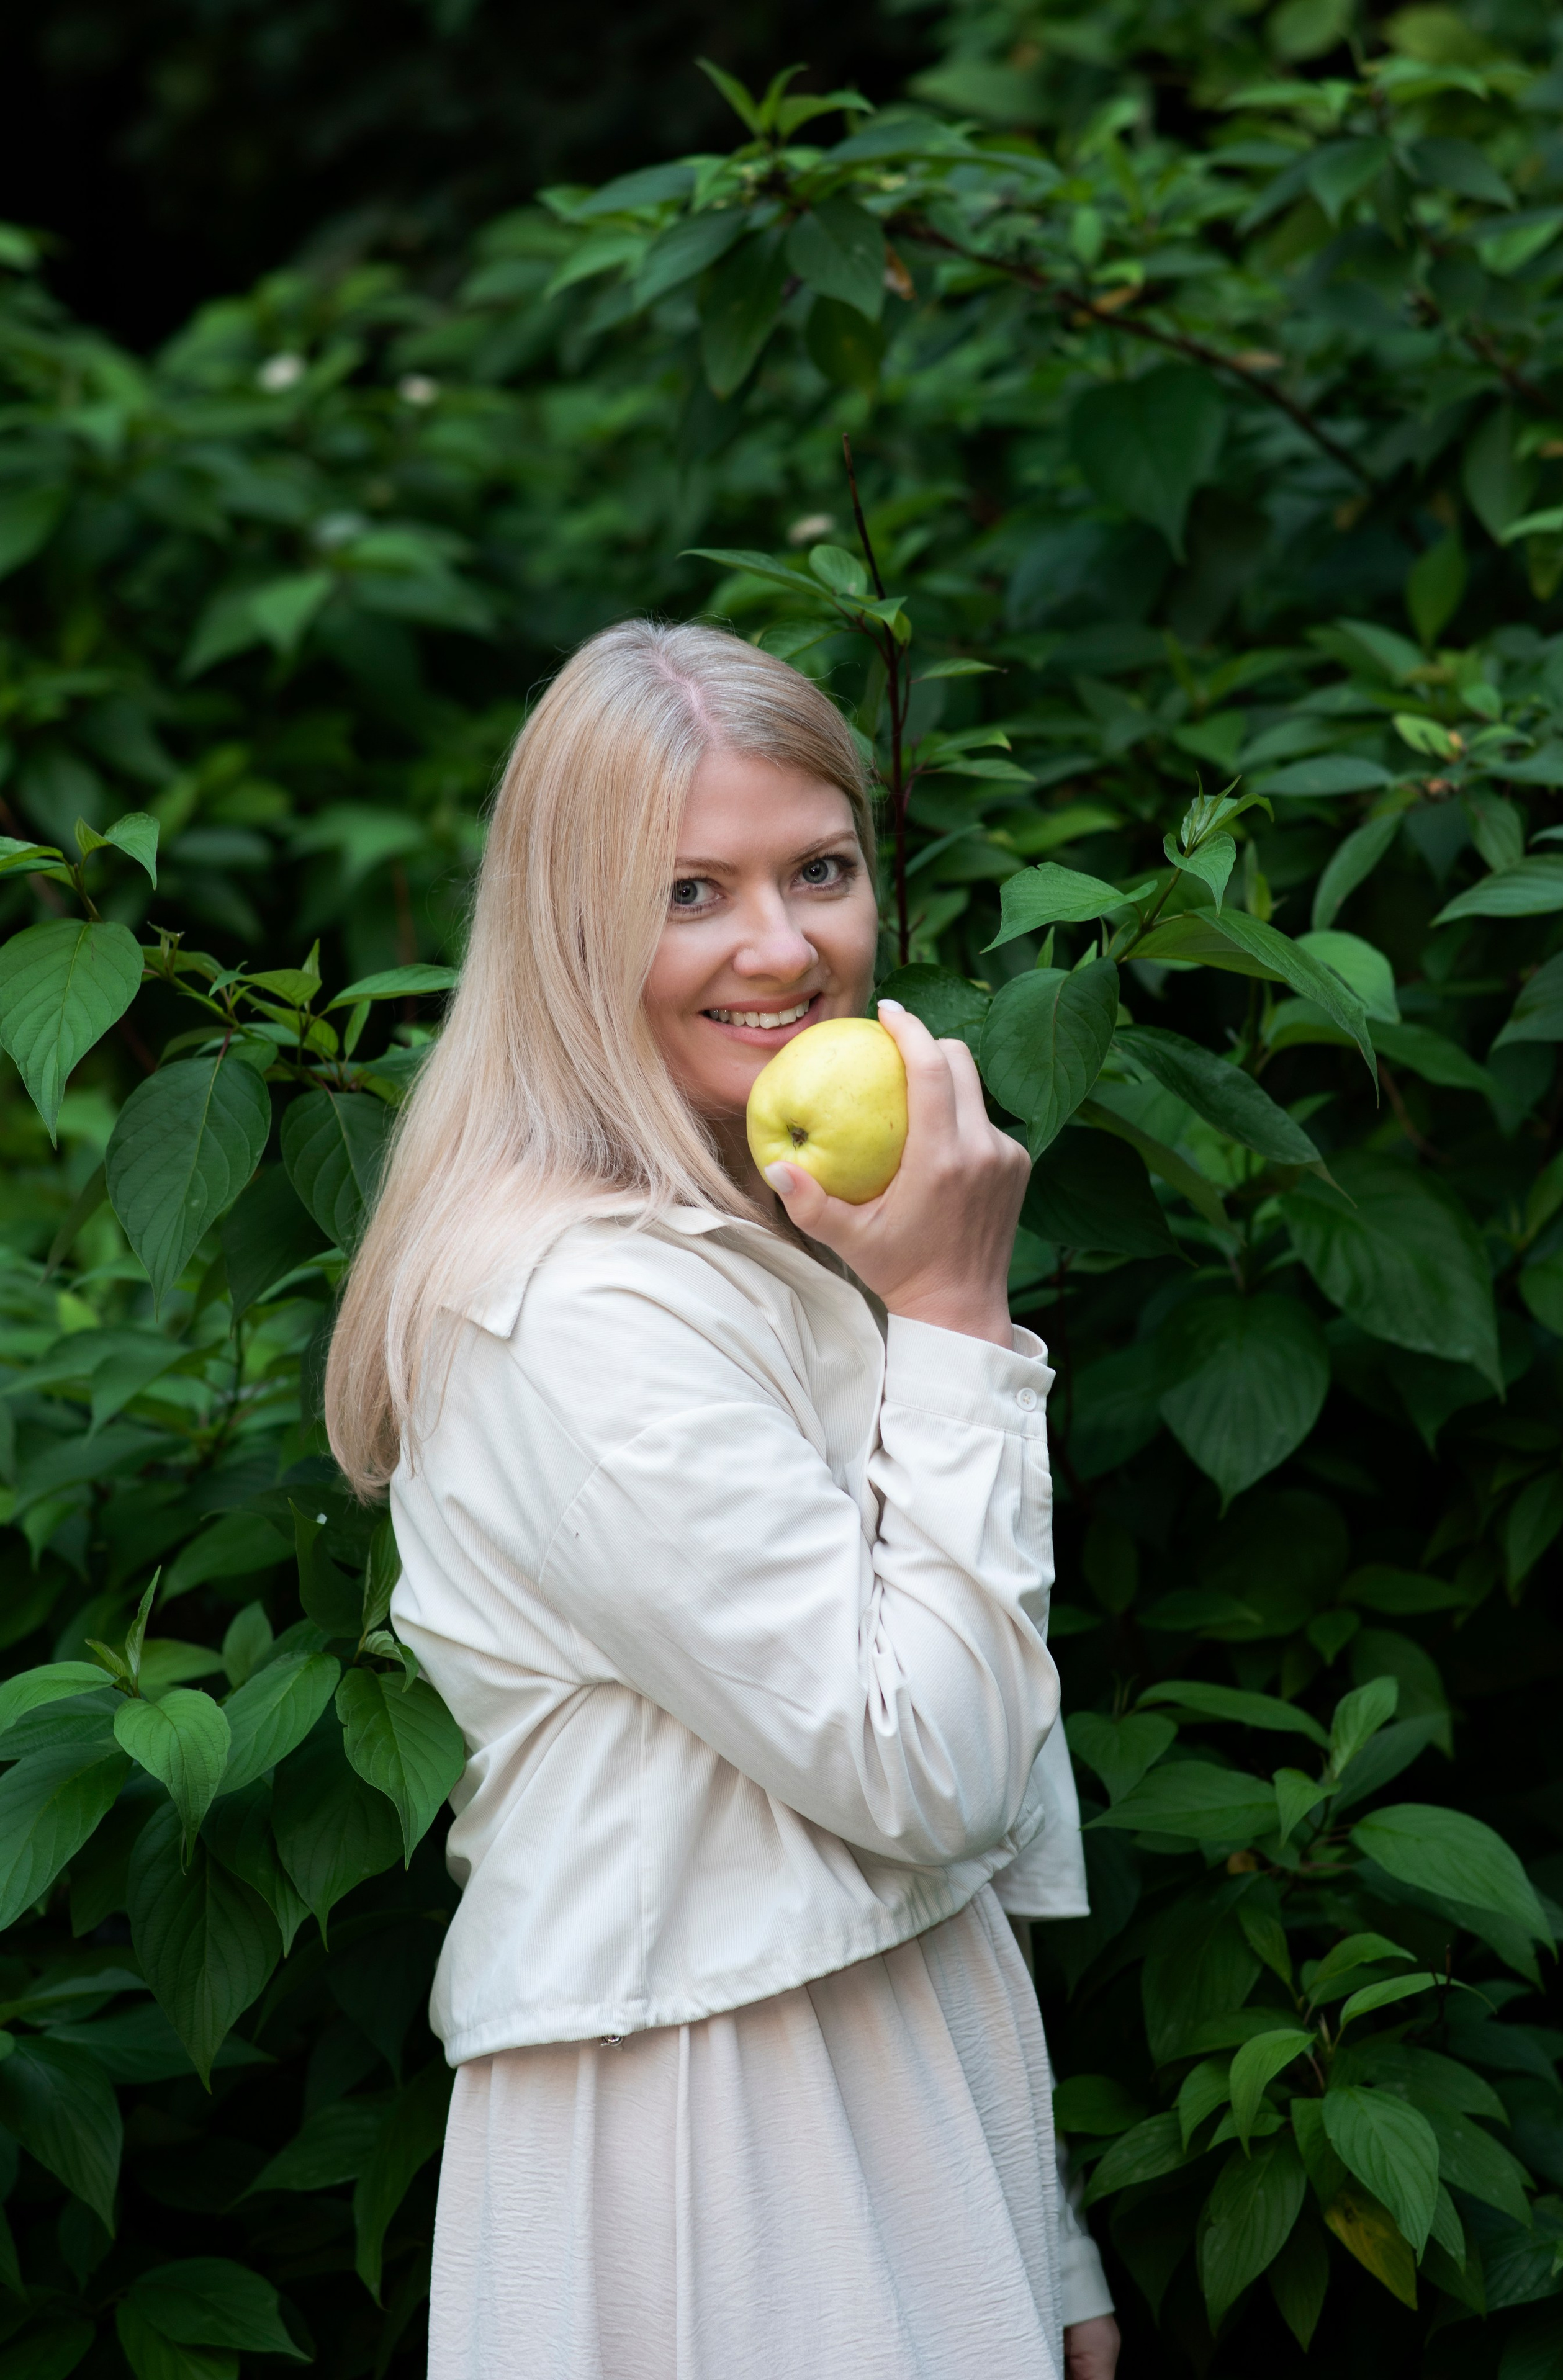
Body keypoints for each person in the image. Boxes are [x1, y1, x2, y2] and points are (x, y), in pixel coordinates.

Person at [326, 620, 1121, 2380]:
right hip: (719, 2132)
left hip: (884, 2057)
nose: (784, 947)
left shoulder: (774, 1218)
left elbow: (926, 1823)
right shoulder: (575, 1313)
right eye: (692, 891)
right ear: (572, 925)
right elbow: (922, 1767)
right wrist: (955, 1318)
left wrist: (1038, 2214)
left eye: (821, 870)